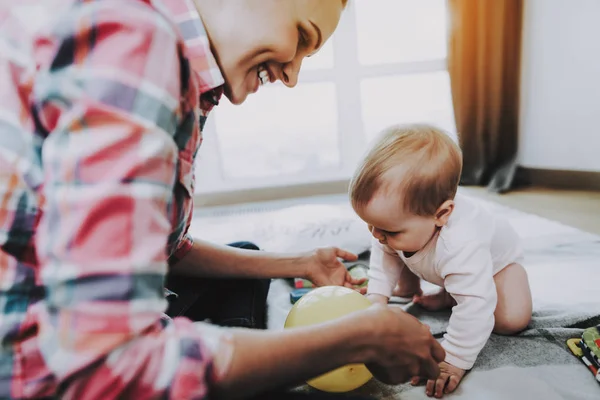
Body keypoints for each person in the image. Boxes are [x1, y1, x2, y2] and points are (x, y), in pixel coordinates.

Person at [0, 0, 445, 399]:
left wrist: (299, 262)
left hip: (60, 314)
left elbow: (166, 252)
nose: (291, 76)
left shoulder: (175, 72)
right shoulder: (134, 42)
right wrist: (361, 337)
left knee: (247, 262)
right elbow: (108, 364)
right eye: (302, 37)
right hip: (32, 367)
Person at [349, 124, 533, 398]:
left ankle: (452, 293)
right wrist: (378, 297)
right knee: (395, 249)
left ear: (442, 214)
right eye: (371, 225)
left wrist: (454, 358)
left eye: (388, 229)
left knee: (510, 319)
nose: (376, 235)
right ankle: (426, 289)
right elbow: (384, 254)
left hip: (496, 266)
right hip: (436, 259)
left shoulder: (461, 242)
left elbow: (475, 304)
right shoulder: (396, 228)